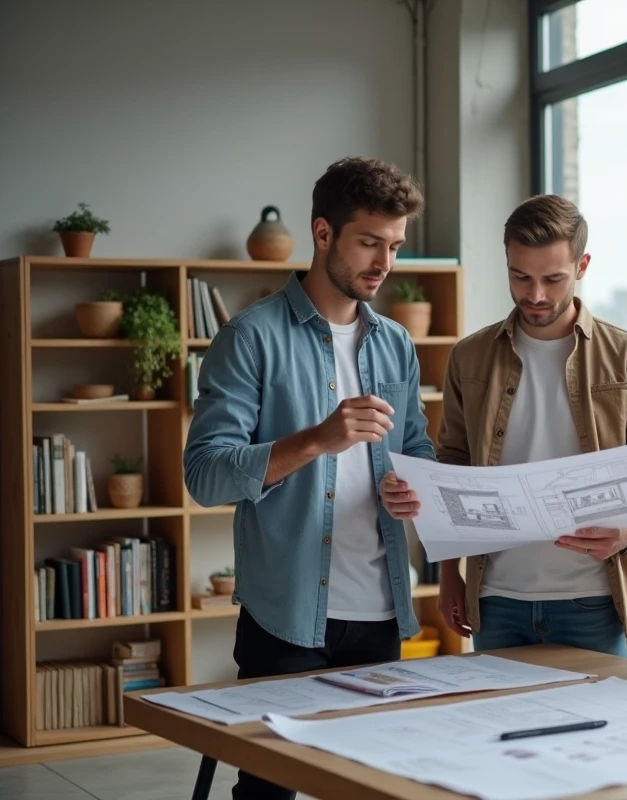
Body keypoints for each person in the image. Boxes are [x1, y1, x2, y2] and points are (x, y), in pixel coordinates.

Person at [184, 157, 433, 800]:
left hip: (380, 611)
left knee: (375, 787)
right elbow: (206, 474)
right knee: (269, 791)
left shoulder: (396, 344)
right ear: (324, 234)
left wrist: (415, 488)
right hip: (286, 617)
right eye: (369, 242)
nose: (384, 262)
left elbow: (416, 449)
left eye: (395, 245)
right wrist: (318, 440)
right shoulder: (250, 338)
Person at [434, 194, 627, 657]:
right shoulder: (469, 356)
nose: (536, 294)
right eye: (520, 276)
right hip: (496, 599)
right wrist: (449, 575)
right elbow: (451, 468)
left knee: (599, 729)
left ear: (582, 265)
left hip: (594, 600)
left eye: (552, 278)